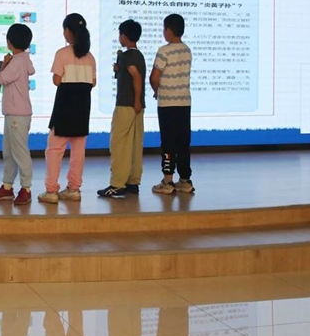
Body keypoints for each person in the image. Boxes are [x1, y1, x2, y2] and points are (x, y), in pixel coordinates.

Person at [39, 13, 97, 204]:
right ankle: (74, 189)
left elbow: (57, 80)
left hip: (64, 107)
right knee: (78, 152)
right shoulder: (90, 57)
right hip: (82, 108)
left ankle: (51, 190)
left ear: (69, 31)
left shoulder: (61, 53)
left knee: (54, 150)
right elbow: (93, 82)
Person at [0, 24, 35, 205]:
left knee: (19, 152)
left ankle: (26, 188)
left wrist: (4, 65)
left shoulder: (16, 61)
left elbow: (1, 79)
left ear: (9, 42)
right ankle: (7, 187)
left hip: (17, 114)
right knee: (9, 152)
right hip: (13, 113)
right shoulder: (23, 60)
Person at [98, 19, 146, 199]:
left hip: (126, 105)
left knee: (119, 143)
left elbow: (136, 77)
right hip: (136, 107)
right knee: (134, 144)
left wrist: (135, 100)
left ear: (124, 36)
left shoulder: (127, 56)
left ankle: (117, 184)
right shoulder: (138, 55)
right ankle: (133, 181)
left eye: (120, 34)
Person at [150, 14, 195, 195]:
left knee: (168, 142)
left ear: (168, 30)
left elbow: (154, 77)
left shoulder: (164, 51)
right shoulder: (187, 50)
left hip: (167, 103)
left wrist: (156, 91)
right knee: (183, 142)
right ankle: (185, 180)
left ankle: (167, 181)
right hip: (184, 102)